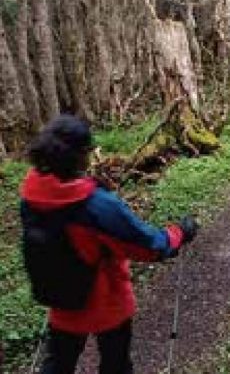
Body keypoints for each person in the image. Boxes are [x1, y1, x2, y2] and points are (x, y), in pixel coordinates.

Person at [19, 115, 198, 374]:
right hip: (107, 303)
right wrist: (179, 233)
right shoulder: (96, 207)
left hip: (61, 302)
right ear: (81, 155)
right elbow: (148, 246)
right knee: (116, 365)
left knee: (58, 364)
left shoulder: (31, 196)